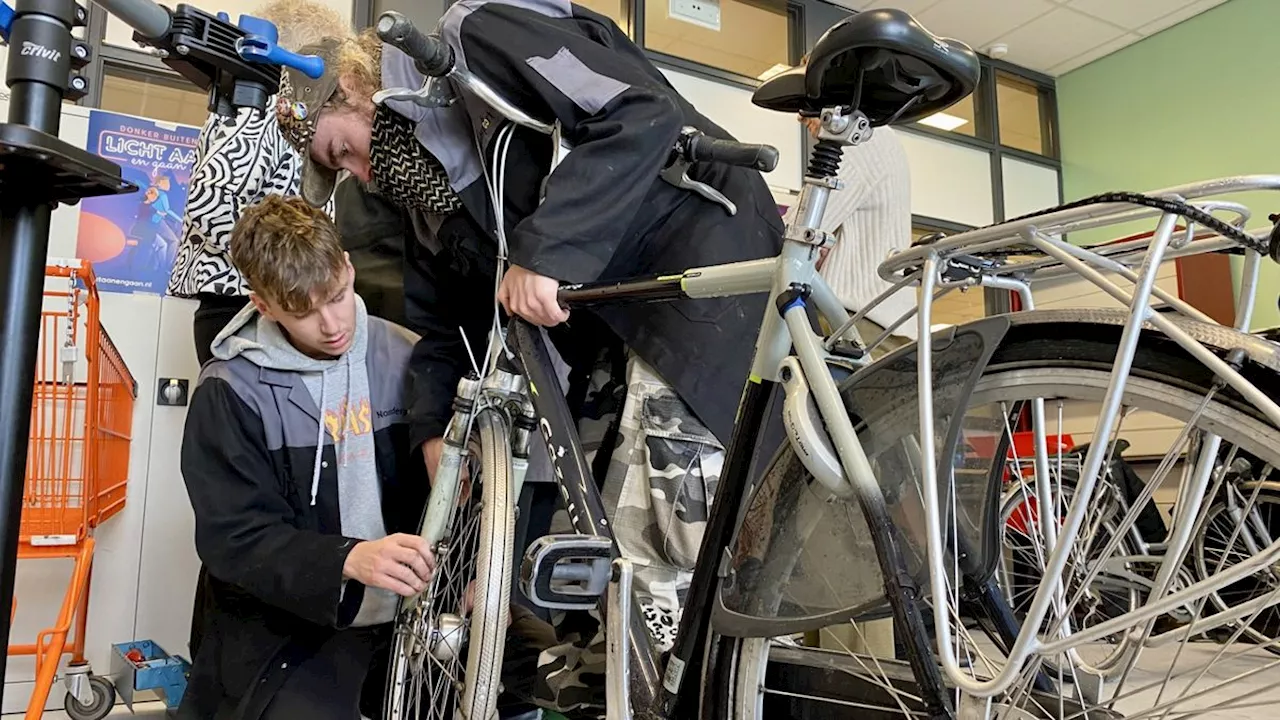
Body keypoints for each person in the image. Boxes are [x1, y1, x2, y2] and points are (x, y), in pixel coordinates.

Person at [274, 2, 784, 710]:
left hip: (694, 260)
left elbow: (637, 112)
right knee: (607, 548)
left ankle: (740, 690)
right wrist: (432, 433)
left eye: (343, 151)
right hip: (617, 313)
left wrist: (547, 252)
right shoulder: (431, 193)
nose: (359, 175)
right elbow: (446, 320)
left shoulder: (478, 35)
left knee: (675, 543)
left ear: (356, 91)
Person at [177, 195, 433, 720]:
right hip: (291, 621)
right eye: (303, 312)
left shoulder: (408, 356)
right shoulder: (231, 390)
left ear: (348, 267)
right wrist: (347, 558)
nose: (332, 324)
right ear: (264, 305)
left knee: (525, 667)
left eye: (337, 297)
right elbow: (234, 538)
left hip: (412, 613)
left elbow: (459, 490)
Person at [167, 0, 350, 368]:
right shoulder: (263, 112)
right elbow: (208, 201)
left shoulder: (269, 115)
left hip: (270, 301)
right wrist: (280, 266)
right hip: (243, 305)